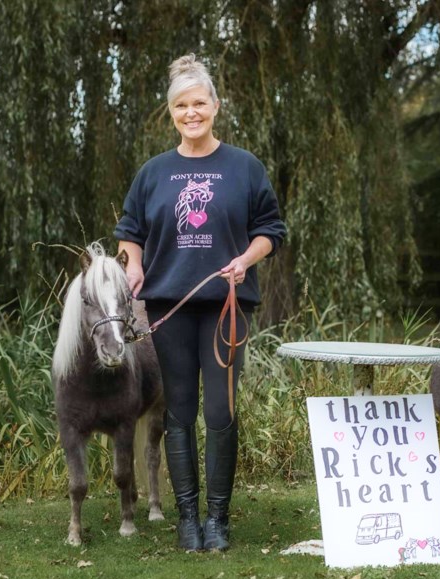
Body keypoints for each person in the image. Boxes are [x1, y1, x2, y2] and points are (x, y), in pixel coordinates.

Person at [114, 54, 287, 552]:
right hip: (169, 305)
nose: (192, 113)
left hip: (225, 306)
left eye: (200, 103)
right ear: (172, 112)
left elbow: (271, 230)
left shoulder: (244, 167)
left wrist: (245, 259)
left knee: (220, 412)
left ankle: (218, 518)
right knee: (179, 411)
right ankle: (187, 517)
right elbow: (130, 231)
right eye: (182, 106)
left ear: (215, 106)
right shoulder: (154, 173)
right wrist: (133, 264)